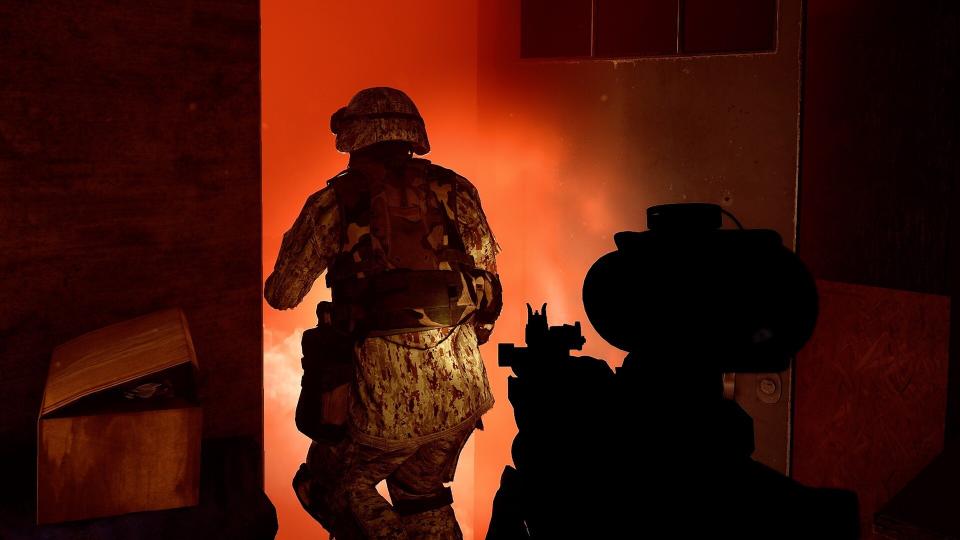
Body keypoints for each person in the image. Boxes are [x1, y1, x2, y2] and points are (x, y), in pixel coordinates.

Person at [264, 87, 502, 539]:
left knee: (326, 485)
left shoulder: (334, 202)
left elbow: (282, 293)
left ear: (353, 136)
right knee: (422, 495)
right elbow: (487, 277)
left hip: (382, 405)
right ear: (413, 134)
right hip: (462, 393)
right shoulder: (455, 189)